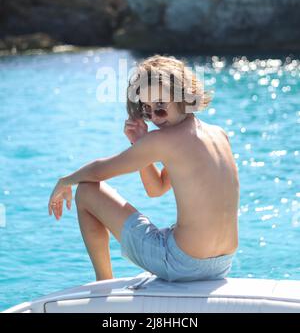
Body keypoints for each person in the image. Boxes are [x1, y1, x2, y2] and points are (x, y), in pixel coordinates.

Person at [48, 54, 240, 282]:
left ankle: (103, 284)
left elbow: (101, 171)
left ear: (184, 97)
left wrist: (65, 180)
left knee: (87, 191)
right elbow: (156, 188)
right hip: (222, 263)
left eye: (160, 107)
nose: (155, 118)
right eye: (147, 110)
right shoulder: (218, 134)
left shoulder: (163, 140)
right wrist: (139, 143)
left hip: (182, 263)